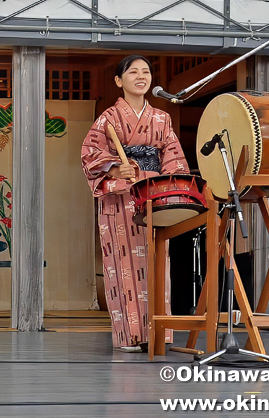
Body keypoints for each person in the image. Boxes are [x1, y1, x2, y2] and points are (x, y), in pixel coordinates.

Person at [81, 55, 190, 352]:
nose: (141, 77)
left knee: (156, 262)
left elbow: (174, 160)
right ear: (119, 81)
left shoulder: (162, 119)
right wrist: (116, 168)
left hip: (153, 195)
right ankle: (128, 335)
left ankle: (159, 333)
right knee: (122, 263)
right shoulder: (108, 118)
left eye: (146, 72)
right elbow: (91, 153)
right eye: (133, 72)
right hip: (120, 199)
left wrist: (171, 188)